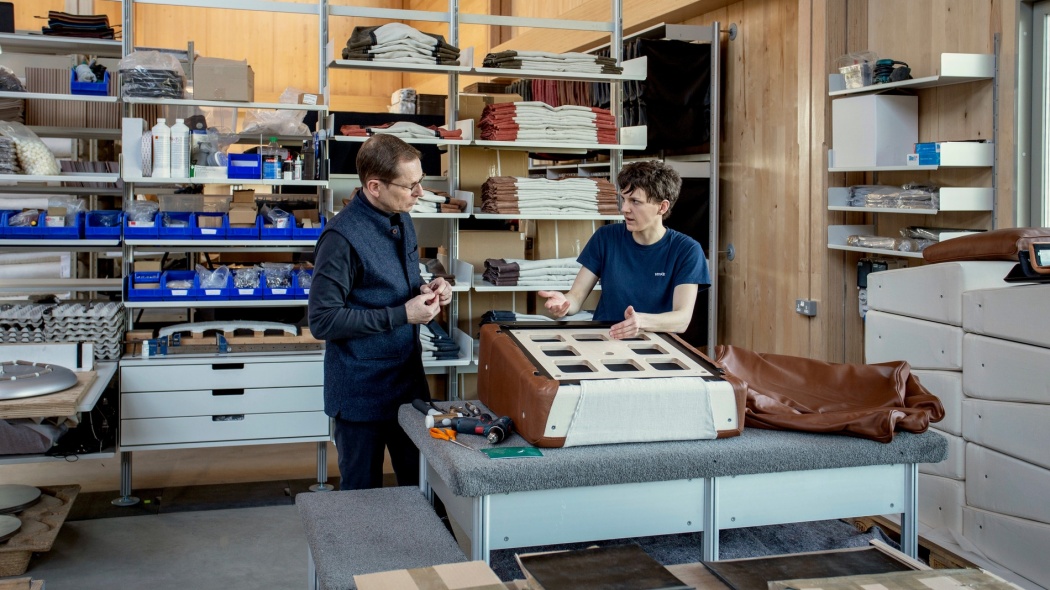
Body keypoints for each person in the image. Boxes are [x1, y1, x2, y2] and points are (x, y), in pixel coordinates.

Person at [308, 134, 452, 490]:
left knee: (421, 490)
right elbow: (322, 320)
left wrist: (429, 288)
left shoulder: (399, 217)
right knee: (362, 501)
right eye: (411, 186)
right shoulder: (341, 238)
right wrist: (403, 314)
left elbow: (399, 279)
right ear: (374, 186)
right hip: (360, 393)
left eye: (421, 182)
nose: (420, 193)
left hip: (406, 385)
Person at [538, 160, 710, 339]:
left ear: (662, 207)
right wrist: (564, 303)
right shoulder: (606, 237)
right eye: (624, 199)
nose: (624, 208)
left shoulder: (687, 250)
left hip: (657, 346)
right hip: (605, 340)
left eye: (635, 201)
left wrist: (640, 322)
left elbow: (682, 318)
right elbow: (576, 296)